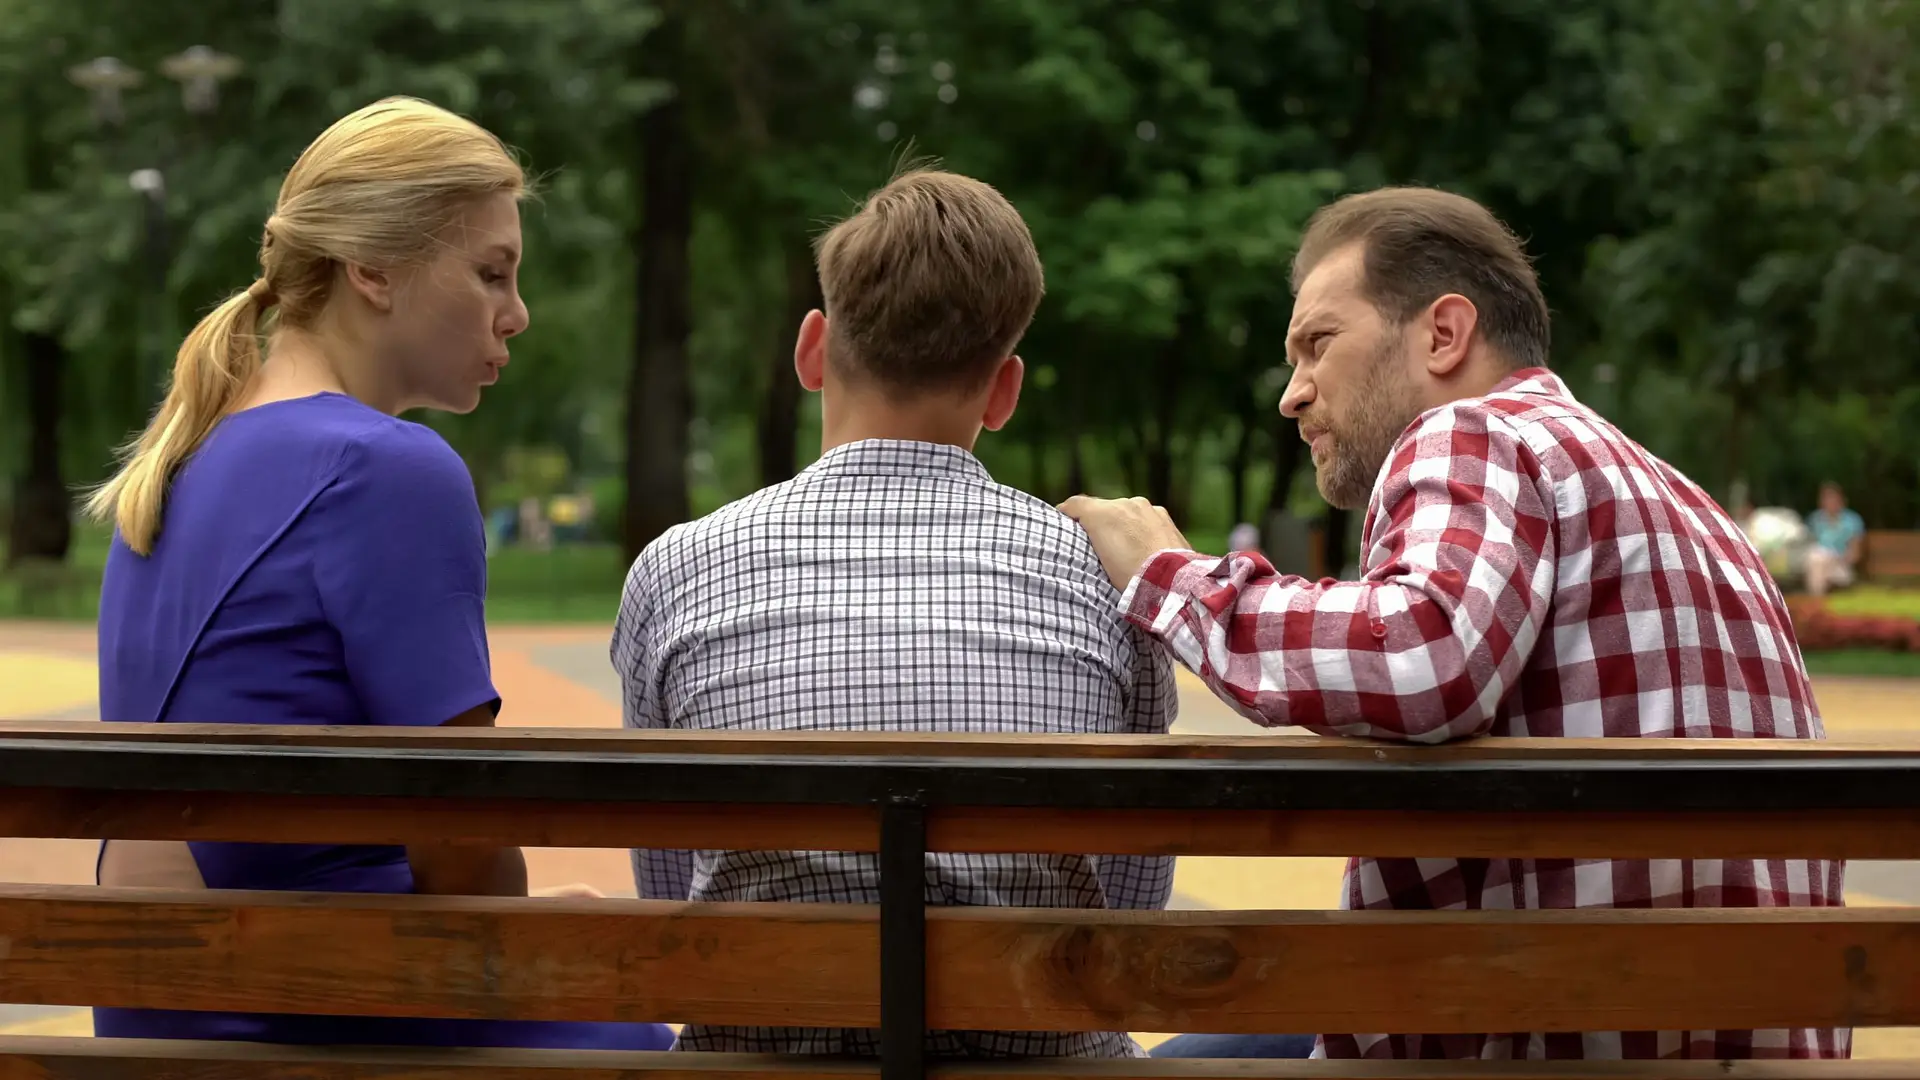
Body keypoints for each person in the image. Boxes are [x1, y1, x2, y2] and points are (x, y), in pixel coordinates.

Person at [1062, 186, 1842, 1061]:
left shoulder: (1473, 432)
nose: (1293, 394)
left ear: (1443, 334)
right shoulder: (1683, 499)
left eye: (1318, 343)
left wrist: (1177, 579)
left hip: (1546, 1042)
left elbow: (1422, 654)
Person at [89, 97, 670, 1052]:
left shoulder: (178, 460)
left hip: (174, 1005)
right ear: (372, 269)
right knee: (641, 1032)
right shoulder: (385, 468)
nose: (516, 314)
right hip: (322, 1011)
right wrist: (537, 927)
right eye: (491, 273)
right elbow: (465, 852)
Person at [612, 166, 1179, 1058]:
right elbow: (1129, 891)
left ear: (812, 349)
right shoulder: (1101, 577)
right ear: (1004, 389)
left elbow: (669, 878)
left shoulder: (676, 568)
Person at [1805, 481, 1865, 597]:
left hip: (1841, 566)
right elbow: (1809, 544)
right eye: (1826, 499)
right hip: (1819, 564)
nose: (1830, 502)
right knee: (1816, 559)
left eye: (1833, 498)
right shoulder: (1816, 519)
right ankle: (1818, 600)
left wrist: (1840, 560)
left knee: (1817, 559)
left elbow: (1856, 553)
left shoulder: (1852, 521)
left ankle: (1816, 601)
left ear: (1842, 500)